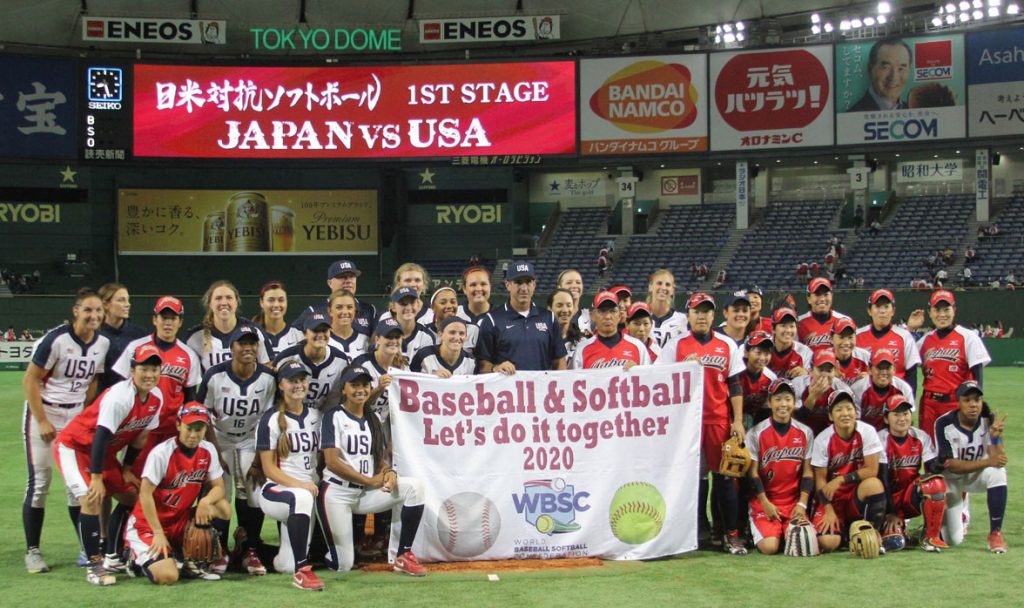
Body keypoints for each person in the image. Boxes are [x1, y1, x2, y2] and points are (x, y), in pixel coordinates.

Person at [54, 343, 164, 585]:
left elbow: (141, 435)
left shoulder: (156, 398)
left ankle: (114, 555)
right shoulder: (119, 397)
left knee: (132, 497)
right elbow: (101, 437)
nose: (149, 374)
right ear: (132, 371)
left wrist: (126, 469)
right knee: (91, 498)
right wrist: (96, 478)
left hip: (103, 454)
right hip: (76, 447)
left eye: (154, 369)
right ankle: (94, 564)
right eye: (144, 369)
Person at [22, 287, 111, 573]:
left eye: (98, 310)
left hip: (74, 416)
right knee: (40, 484)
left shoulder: (102, 343)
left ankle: (86, 548)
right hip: (45, 410)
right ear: (75, 311)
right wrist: (42, 420)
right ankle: (33, 550)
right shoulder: (56, 339)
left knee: (77, 487)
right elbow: (30, 380)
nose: (94, 315)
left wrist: (84, 412)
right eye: (88, 310)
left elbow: (94, 380)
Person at [656, 292, 746, 554]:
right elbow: (658, 379)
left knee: (725, 478)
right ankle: (697, 532)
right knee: (694, 479)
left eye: (706, 311)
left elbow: (735, 384)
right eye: (697, 311)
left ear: (713, 315)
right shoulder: (676, 346)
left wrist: (738, 420)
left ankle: (731, 534)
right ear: (689, 315)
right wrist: (681, 369)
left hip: (718, 419)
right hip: (687, 422)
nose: (702, 316)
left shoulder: (726, 345)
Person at [317, 366, 428, 575]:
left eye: (365, 385)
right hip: (337, 493)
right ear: (344, 389)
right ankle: (322, 551)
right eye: (354, 385)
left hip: (365, 493)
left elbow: (379, 460)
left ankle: (404, 555)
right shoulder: (333, 416)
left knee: (415, 487)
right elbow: (331, 462)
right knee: (343, 565)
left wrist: (389, 472)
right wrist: (368, 481)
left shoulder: (374, 417)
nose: (360, 390)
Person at [111, 296, 201, 540]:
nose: (168, 323)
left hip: (172, 434)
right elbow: (118, 388)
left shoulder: (188, 355)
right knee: (134, 491)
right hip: (141, 432)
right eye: (164, 317)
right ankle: (118, 547)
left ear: (180, 322)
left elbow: (190, 398)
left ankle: (163, 539)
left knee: (169, 489)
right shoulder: (136, 347)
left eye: (173, 318)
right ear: (154, 319)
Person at [196, 325, 278, 575]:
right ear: (231, 348)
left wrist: (258, 459)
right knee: (221, 492)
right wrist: (214, 452)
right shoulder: (215, 375)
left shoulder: (267, 377)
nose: (248, 348)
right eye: (242, 343)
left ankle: (249, 548)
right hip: (219, 437)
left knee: (253, 492)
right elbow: (201, 414)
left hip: (250, 439)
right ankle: (219, 548)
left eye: (252, 343)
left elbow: (268, 419)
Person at [124, 403, 232, 584]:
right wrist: (158, 532)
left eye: (199, 429)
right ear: (179, 425)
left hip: (179, 521)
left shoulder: (208, 450)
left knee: (223, 508)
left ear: (206, 429)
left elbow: (219, 487)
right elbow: (145, 494)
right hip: (148, 525)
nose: (193, 435)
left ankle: (191, 559)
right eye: (189, 428)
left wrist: (205, 501)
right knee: (168, 576)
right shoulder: (161, 453)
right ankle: (133, 558)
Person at [253, 361, 324, 589]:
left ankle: (263, 554)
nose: (298, 385)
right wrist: (300, 484)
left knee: (285, 564)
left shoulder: (316, 415)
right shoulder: (271, 419)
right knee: (301, 497)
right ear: (281, 385)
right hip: (277, 491)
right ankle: (302, 572)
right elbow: (269, 469)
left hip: (307, 491)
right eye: (292, 380)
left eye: (302, 380)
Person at [934, 381, 1008, 552]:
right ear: (958, 402)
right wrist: (988, 462)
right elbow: (952, 465)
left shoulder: (988, 419)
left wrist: (995, 438)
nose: (973, 404)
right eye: (967, 400)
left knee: (998, 472)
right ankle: (955, 513)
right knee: (953, 540)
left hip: (975, 477)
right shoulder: (944, 423)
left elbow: (999, 459)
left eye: (977, 400)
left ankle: (995, 533)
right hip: (951, 481)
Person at [810, 389, 887, 553]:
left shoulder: (867, 431)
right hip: (832, 498)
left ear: (856, 412)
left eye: (849, 408)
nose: (845, 414)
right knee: (828, 543)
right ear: (830, 416)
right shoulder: (822, 440)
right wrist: (828, 509)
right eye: (839, 409)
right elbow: (820, 481)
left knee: (874, 484)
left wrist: (841, 479)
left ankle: (873, 534)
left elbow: (872, 470)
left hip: (855, 494)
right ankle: (845, 535)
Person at [746, 378, 815, 555]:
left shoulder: (805, 432)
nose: (783, 404)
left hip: (793, 502)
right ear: (769, 403)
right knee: (769, 548)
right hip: (765, 501)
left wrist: (802, 504)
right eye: (778, 399)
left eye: (787, 399)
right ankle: (760, 527)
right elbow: (752, 473)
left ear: (794, 403)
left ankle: (783, 531)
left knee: (802, 543)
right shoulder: (756, 433)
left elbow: (808, 472)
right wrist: (765, 503)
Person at [876, 395, 948, 553]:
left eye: (905, 413)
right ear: (886, 419)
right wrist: (891, 513)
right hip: (886, 498)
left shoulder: (920, 436)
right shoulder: (880, 439)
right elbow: (882, 478)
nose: (902, 418)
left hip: (909, 495)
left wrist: (942, 462)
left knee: (935, 483)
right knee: (895, 543)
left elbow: (931, 468)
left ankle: (930, 535)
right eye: (896, 414)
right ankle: (891, 528)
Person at [917, 290, 991, 439]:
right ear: (930, 312)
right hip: (929, 404)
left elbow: (977, 376)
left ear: (954, 310)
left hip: (956, 403)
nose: (942, 314)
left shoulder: (968, 337)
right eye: (937, 310)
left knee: (957, 448)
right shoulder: (925, 340)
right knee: (929, 448)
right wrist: (911, 328)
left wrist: (976, 403)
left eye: (946, 309)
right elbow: (904, 361)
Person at [476, 261, 567, 373]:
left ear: (534, 285)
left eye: (528, 282)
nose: (524, 288)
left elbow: (559, 360)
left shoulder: (549, 318)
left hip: (541, 384)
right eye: (518, 282)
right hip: (507, 385)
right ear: (507, 285)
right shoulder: (492, 320)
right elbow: (482, 365)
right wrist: (495, 368)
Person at [185, 280, 271, 373]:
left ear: (236, 302)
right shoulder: (195, 337)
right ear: (210, 303)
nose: (224, 302)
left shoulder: (254, 331)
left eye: (229, 298)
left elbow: (268, 369)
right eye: (218, 298)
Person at [274, 312, 349, 412]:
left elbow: (335, 399)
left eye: (324, 330)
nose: (320, 335)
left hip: (324, 416)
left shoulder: (341, 360)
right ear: (305, 334)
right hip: (289, 414)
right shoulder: (285, 358)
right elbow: (275, 394)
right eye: (315, 330)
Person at [856, 289, 922, 394]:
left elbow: (911, 374)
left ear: (893, 311)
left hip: (896, 397)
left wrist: (909, 401)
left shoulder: (904, 337)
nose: (882, 311)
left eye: (886, 307)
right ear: (869, 311)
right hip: (866, 397)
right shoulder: (857, 336)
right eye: (878, 306)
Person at [293, 259, 376, 336]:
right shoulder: (314, 311)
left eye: (352, 276)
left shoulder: (369, 310)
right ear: (329, 283)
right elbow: (292, 336)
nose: (348, 280)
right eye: (342, 277)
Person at [572, 291, 651, 370]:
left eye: (613, 311)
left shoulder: (638, 347)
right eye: (602, 311)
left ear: (619, 316)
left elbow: (648, 375)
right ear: (593, 316)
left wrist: (638, 371)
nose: (608, 316)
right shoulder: (581, 350)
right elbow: (573, 377)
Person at [96, 283, 149, 393]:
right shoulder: (94, 335)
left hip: (132, 396)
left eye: (128, 300)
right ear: (105, 304)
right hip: (102, 397)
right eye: (121, 300)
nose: (127, 304)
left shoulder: (140, 334)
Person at [850, 350, 915, 431]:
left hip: (893, 434)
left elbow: (908, 420)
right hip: (866, 434)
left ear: (894, 369)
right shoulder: (857, 389)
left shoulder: (903, 388)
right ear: (869, 369)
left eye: (888, 368)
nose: (884, 372)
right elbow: (856, 423)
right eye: (879, 368)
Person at [792, 349, 851, 435]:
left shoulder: (842, 388)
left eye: (829, 371)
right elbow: (796, 419)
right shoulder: (798, 384)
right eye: (820, 370)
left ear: (834, 372)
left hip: (830, 436)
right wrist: (812, 398)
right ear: (811, 370)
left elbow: (847, 422)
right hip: (801, 434)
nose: (825, 374)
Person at [848, 38, 911, 111]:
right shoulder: (853, 114)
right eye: (886, 67)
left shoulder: (912, 109)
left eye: (901, 68)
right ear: (870, 69)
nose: (894, 77)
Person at [797, 278, 850, 354]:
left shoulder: (844, 321)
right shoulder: (798, 323)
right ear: (809, 298)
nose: (822, 299)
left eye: (826, 294)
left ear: (831, 296)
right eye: (817, 294)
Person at [253, 281, 304, 359]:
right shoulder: (253, 334)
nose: (276, 305)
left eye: (281, 300)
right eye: (271, 300)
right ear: (261, 302)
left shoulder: (298, 335)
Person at [411, 317, 476, 376]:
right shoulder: (423, 355)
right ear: (440, 334)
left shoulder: (471, 362)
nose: (457, 337)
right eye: (452, 332)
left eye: (461, 333)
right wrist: (432, 377)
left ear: (466, 336)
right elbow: (411, 380)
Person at [738, 331, 777, 428]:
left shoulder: (771, 378)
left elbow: (766, 410)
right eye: (758, 352)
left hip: (755, 420)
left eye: (766, 353)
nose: (762, 358)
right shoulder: (736, 372)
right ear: (746, 353)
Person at [387, 287, 436, 364]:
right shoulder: (384, 334)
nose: (408, 308)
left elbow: (427, 367)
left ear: (418, 305)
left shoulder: (426, 336)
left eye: (412, 302)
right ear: (393, 307)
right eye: (403, 303)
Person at [646, 269, 689, 349]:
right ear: (650, 287)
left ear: (672, 290)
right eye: (659, 283)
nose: (663, 287)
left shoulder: (682, 320)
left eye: (668, 285)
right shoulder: (640, 316)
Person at [456, 265, 492, 356]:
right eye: (473, 285)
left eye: (483, 284)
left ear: (490, 286)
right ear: (464, 289)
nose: (479, 289)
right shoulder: (454, 314)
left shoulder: (500, 316)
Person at [768, 307, 813, 378]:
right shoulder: (764, 346)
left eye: (792, 326)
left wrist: (807, 373)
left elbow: (814, 375)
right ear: (773, 328)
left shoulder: (805, 351)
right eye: (783, 326)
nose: (788, 330)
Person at [327, 289, 371, 361]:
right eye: (339, 307)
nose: (345, 312)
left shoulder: (365, 340)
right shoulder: (324, 340)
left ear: (354, 310)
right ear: (330, 311)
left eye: (349, 307)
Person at [548, 288, 583, 367]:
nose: (565, 310)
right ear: (549, 309)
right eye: (559, 305)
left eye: (569, 305)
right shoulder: (540, 341)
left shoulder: (582, 342)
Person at [831, 317, 870, 384]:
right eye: (841, 337)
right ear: (831, 339)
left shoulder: (865, 356)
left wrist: (869, 380)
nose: (846, 342)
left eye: (850, 337)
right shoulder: (824, 359)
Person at [557, 268, 590, 335]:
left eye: (578, 282)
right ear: (559, 287)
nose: (574, 286)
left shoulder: (590, 318)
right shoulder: (550, 319)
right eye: (569, 282)